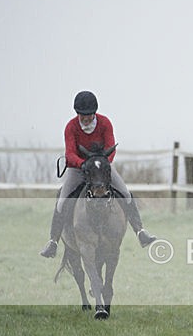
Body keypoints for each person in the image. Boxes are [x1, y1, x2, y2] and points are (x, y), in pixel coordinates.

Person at [39, 90, 156, 258]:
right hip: (79, 169)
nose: (86, 120)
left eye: (89, 116)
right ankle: (53, 242)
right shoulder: (71, 127)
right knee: (62, 200)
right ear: (77, 114)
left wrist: (101, 164)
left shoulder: (104, 123)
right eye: (82, 116)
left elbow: (110, 148)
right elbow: (70, 153)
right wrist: (84, 164)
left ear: (95, 113)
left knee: (125, 193)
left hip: (101, 168)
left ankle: (140, 232)